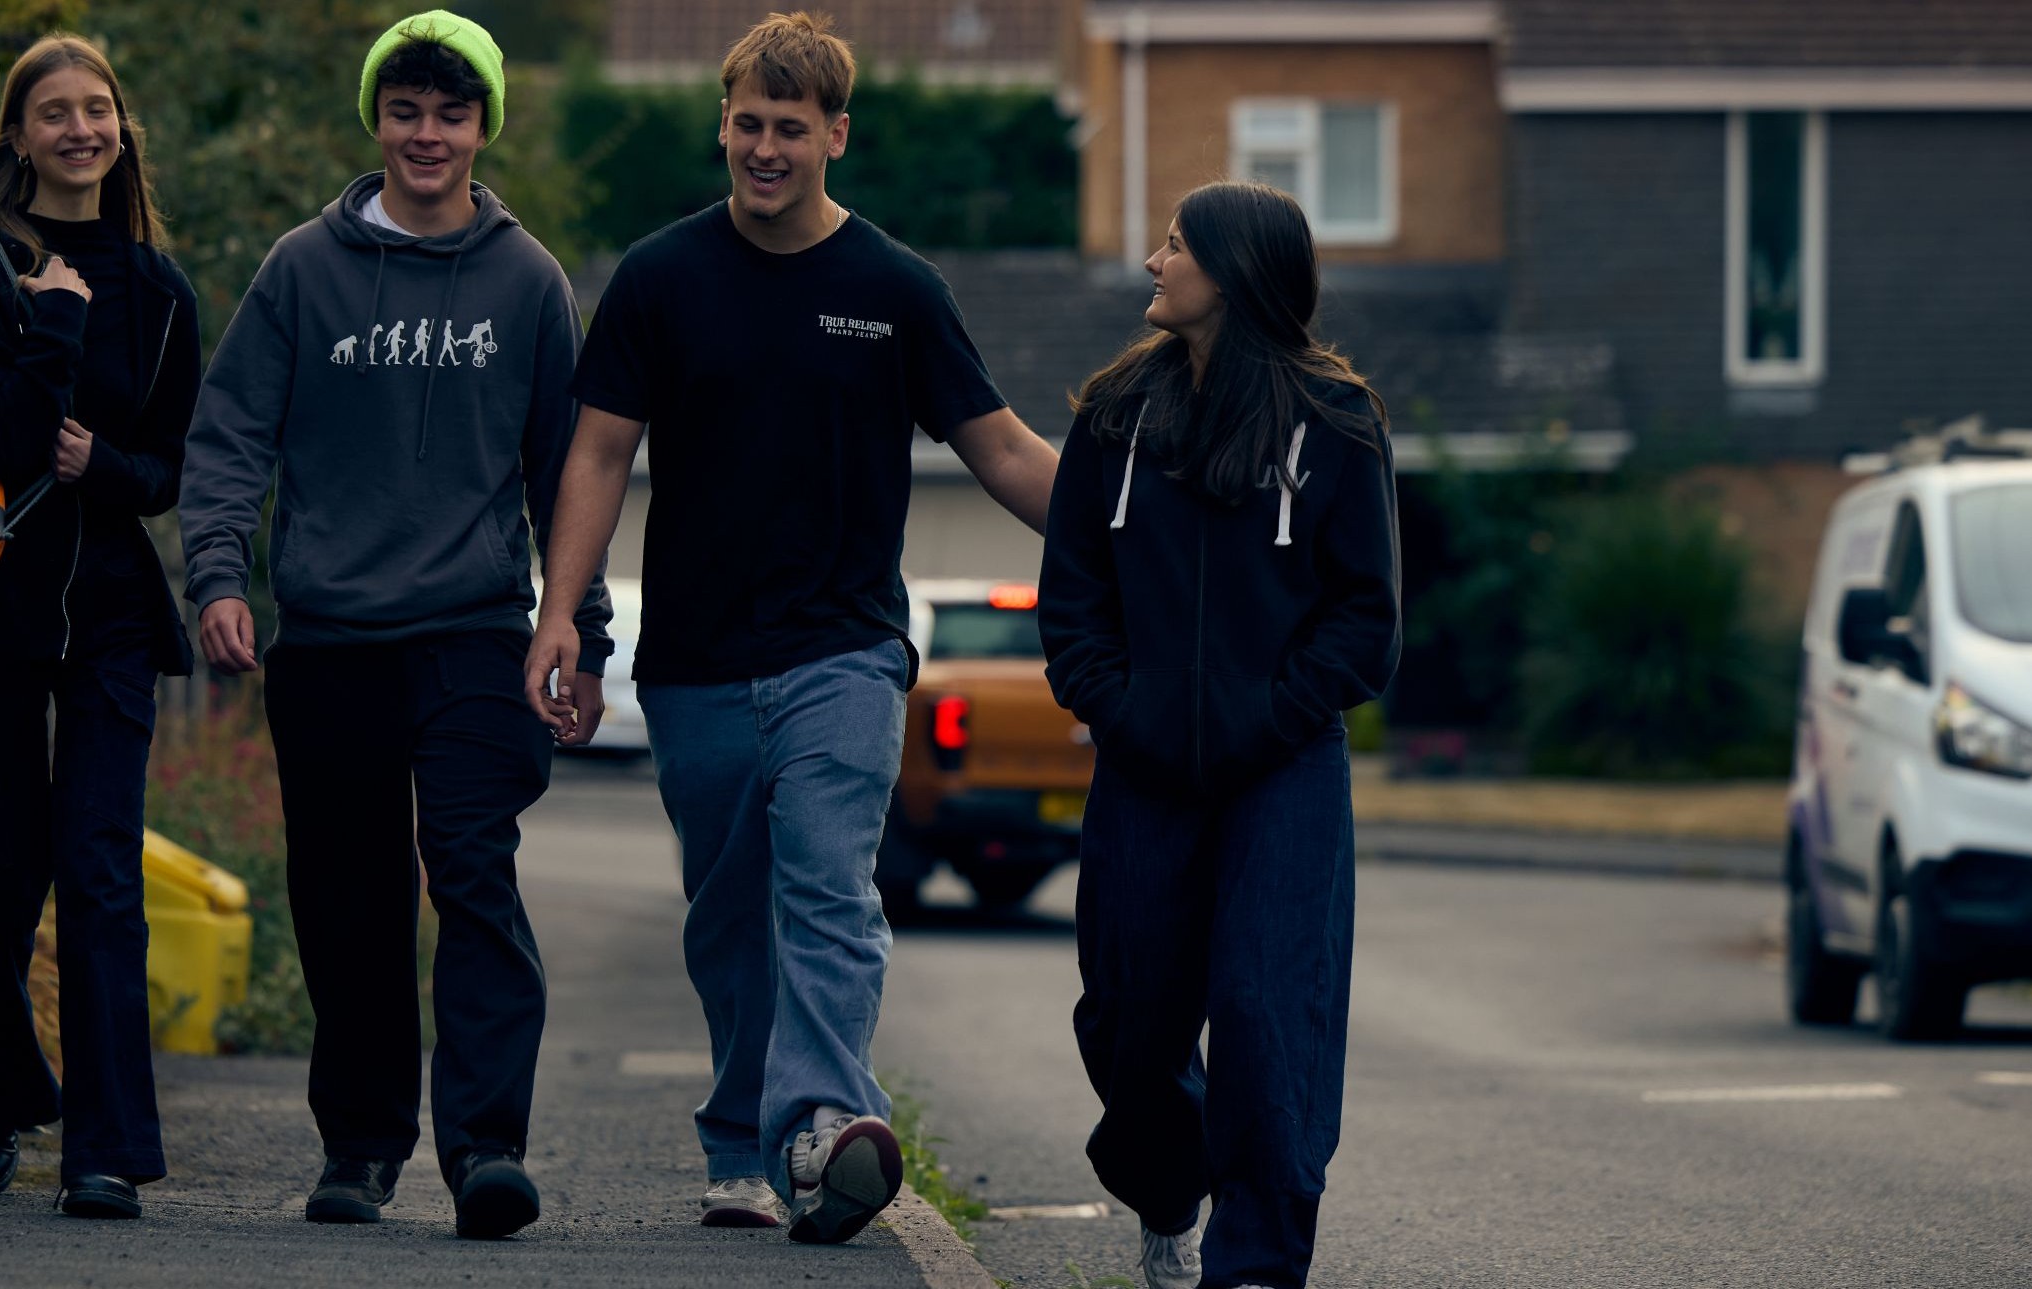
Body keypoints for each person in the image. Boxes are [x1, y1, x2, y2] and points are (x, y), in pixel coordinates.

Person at [521, 10, 1058, 1246]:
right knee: (727, 913)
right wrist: (560, 614)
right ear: (724, 123)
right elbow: (599, 451)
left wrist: (1126, 534)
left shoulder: (894, 290)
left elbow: (1004, 448)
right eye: (747, 124)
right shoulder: (660, 278)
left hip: (844, 650)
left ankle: (820, 1121)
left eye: (791, 128)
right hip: (700, 661)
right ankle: (742, 1143)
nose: (765, 148)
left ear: (836, 137)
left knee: (825, 884)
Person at [178, 10, 607, 1241]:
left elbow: (567, 474)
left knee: (472, 875)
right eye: (407, 109)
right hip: (332, 638)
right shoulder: (301, 269)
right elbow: (229, 436)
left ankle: (487, 1147)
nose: (428, 133)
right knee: (350, 895)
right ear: (379, 119)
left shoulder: (529, 282)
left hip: (476, 631)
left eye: (452, 112)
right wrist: (218, 574)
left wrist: (584, 628)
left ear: (484, 127)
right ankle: (360, 1144)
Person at [1036, 181, 1401, 1289]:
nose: (1154, 263)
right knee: (1128, 1021)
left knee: (1265, 1013)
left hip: (1281, 768)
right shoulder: (1113, 417)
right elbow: (1072, 599)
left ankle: (1255, 1264)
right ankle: (1166, 1184)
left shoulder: (1336, 421)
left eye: (1176, 247)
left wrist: (1267, 713)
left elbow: (1366, 618)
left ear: (1233, 274)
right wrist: (1123, 704)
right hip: (1144, 767)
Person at [0, 34, 201, 1221]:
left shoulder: (166, 288)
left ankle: (104, 1148)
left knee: (98, 874)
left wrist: (107, 464)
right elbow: (0, 435)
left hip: (112, 620)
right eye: (54, 113)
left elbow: (164, 465)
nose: (81, 129)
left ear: (121, 131)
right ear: (18, 137)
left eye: (99, 110)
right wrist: (58, 329)